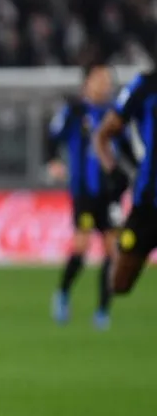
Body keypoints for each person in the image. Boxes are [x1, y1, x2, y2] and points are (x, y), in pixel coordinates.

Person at [46, 63, 133, 329]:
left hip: (110, 195)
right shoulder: (74, 112)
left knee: (112, 251)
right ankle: (62, 293)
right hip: (84, 192)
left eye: (107, 80)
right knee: (81, 247)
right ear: (87, 83)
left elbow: (128, 149)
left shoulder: (115, 115)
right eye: (99, 79)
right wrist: (52, 160)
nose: (104, 84)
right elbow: (51, 137)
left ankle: (103, 311)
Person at [94, 69, 156, 297]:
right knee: (119, 284)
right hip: (148, 204)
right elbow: (103, 134)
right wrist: (113, 171)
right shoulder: (144, 86)